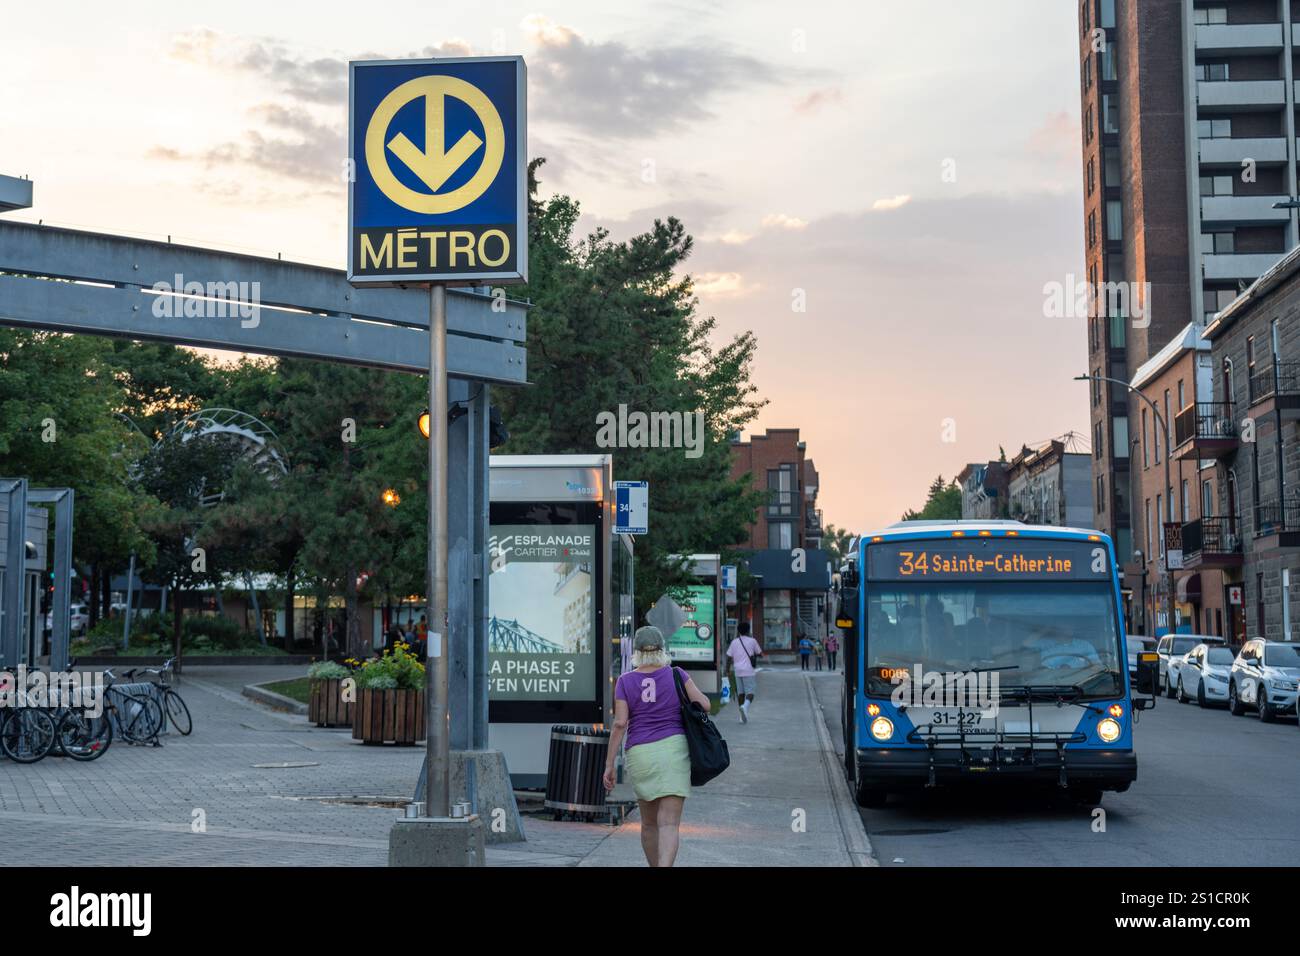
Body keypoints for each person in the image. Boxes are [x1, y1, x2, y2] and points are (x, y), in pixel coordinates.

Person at [603, 626, 710, 867]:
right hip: (674, 751)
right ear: (662, 650)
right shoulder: (677, 675)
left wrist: (609, 764)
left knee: (649, 824)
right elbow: (704, 705)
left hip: (641, 753)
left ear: (637, 653)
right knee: (669, 824)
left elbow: (620, 724)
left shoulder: (625, 681)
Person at [725, 621, 762, 723]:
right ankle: (745, 707)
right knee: (750, 693)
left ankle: (741, 717)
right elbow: (759, 653)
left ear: (738, 631)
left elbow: (729, 657)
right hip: (748, 671)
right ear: (748, 630)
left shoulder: (734, 642)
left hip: (737, 671)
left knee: (740, 693)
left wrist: (727, 670)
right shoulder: (752, 641)